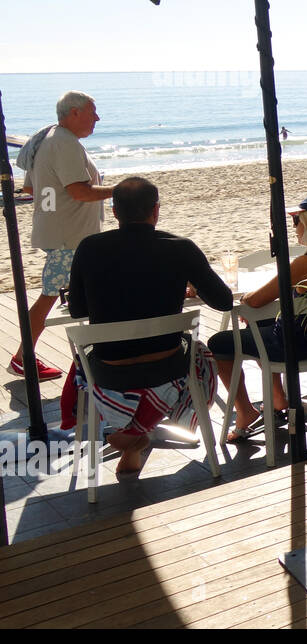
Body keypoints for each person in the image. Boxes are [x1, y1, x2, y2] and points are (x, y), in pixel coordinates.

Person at [65, 177, 232, 474]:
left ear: (114, 212)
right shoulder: (181, 248)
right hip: (169, 367)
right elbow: (223, 300)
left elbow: (77, 308)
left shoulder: (89, 248)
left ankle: (133, 436)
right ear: (156, 210)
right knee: (202, 355)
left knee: (80, 363)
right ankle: (138, 433)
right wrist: (191, 283)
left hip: (109, 371)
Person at [212, 193, 307, 442]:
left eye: (297, 221)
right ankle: (278, 399)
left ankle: (245, 412)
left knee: (218, 343)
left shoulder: (306, 263)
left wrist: (246, 297)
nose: (294, 227)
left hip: (297, 345)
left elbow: (258, 300)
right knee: (263, 323)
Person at [11, 92, 113, 381]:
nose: (97, 118)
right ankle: (24, 358)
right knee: (50, 296)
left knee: (72, 295)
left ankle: (88, 353)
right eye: (93, 112)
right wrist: (123, 191)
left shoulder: (47, 139)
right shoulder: (64, 143)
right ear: (74, 113)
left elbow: (34, 191)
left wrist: (52, 214)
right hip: (71, 239)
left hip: (60, 233)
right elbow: (79, 191)